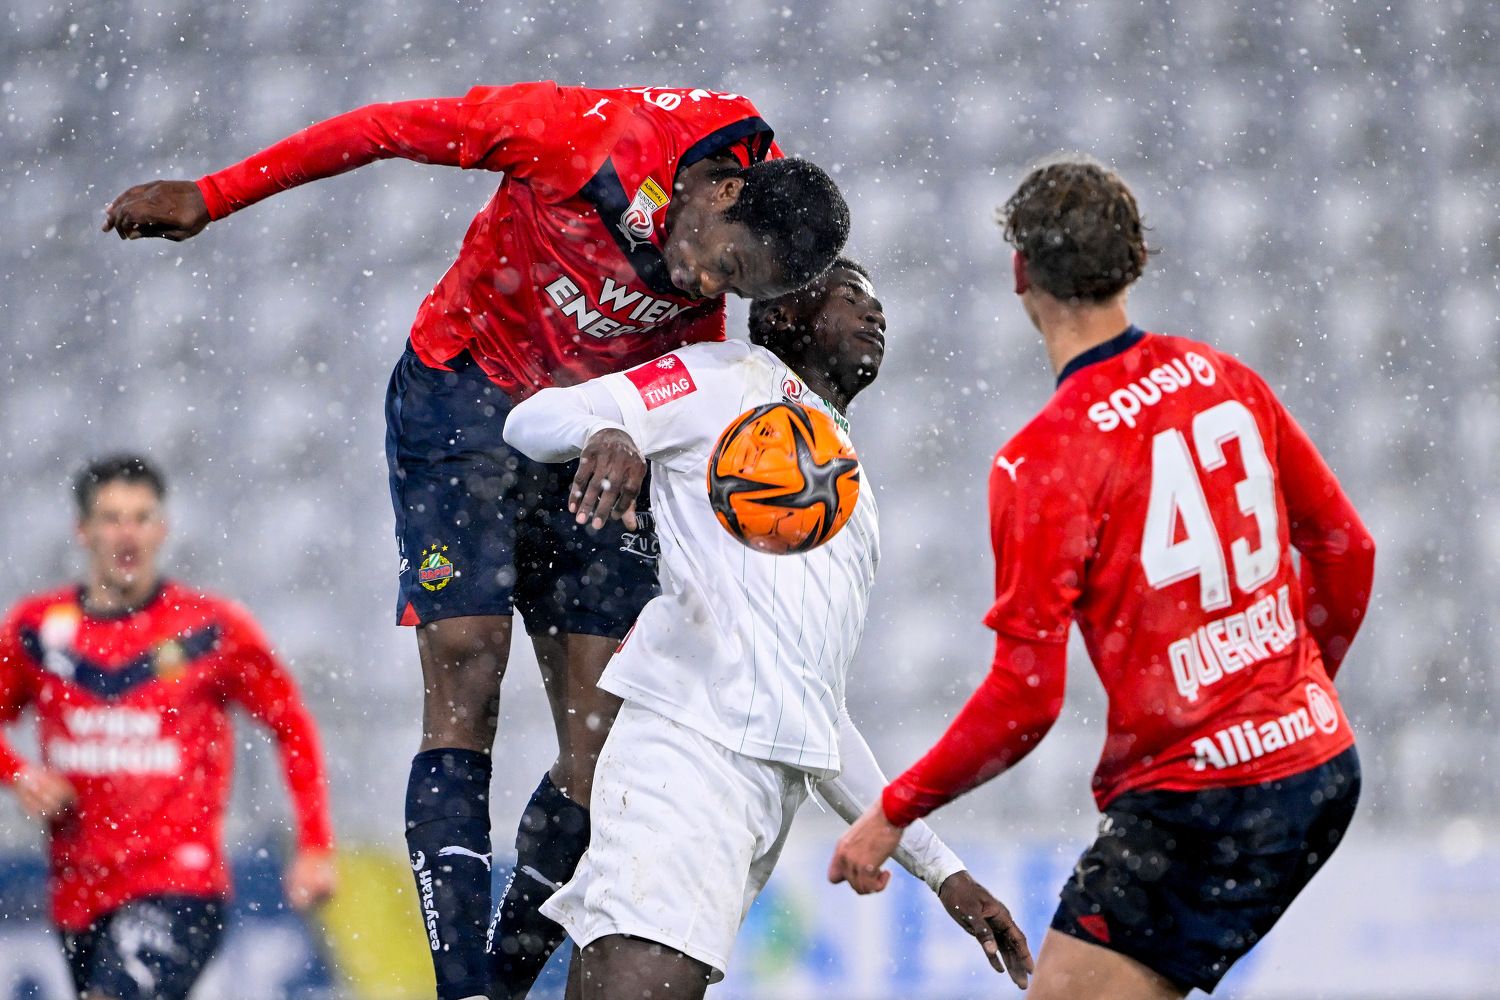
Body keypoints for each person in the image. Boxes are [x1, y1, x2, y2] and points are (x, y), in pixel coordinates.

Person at [101, 83, 850, 1000]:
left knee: (600, 729)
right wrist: (213, 196)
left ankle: (496, 983)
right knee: (467, 663)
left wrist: (636, 423)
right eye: (717, 263)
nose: (704, 287)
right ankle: (462, 990)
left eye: (732, 287)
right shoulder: (587, 139)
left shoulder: (758, 210)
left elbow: (711, 355)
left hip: (593, 435)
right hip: (467, 397)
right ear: (718, 193)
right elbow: (383, 128)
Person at [828, 157, 1376, 999]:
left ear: (1021, 273)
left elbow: (1026, 701)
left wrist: (894, 810)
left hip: (1199, 801)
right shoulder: (1224, 379)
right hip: (1319, 769)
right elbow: (1346, 548)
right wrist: (1291, 693)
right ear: (1135, 262)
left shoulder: (1042, 460)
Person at [502, 260, 1034, 999]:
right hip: (686, 758)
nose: (875, 314)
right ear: (784, 315)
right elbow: (527, 420)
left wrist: (944, 872)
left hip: (756, 797)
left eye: (878, 302)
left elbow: (817, 715)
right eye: (851, 295)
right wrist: (608, 428)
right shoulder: (721, 379)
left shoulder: (854, 498)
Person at [0, 454, 337, 1000]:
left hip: (179, 885)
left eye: (141, 517)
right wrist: (17, 774)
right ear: (83, 530)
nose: (127, 534)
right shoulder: (37, 630)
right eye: (111, 518)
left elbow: (290, 722)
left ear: (163, 528)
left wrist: (315, 844)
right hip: (77, 892)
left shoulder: (210, 629)